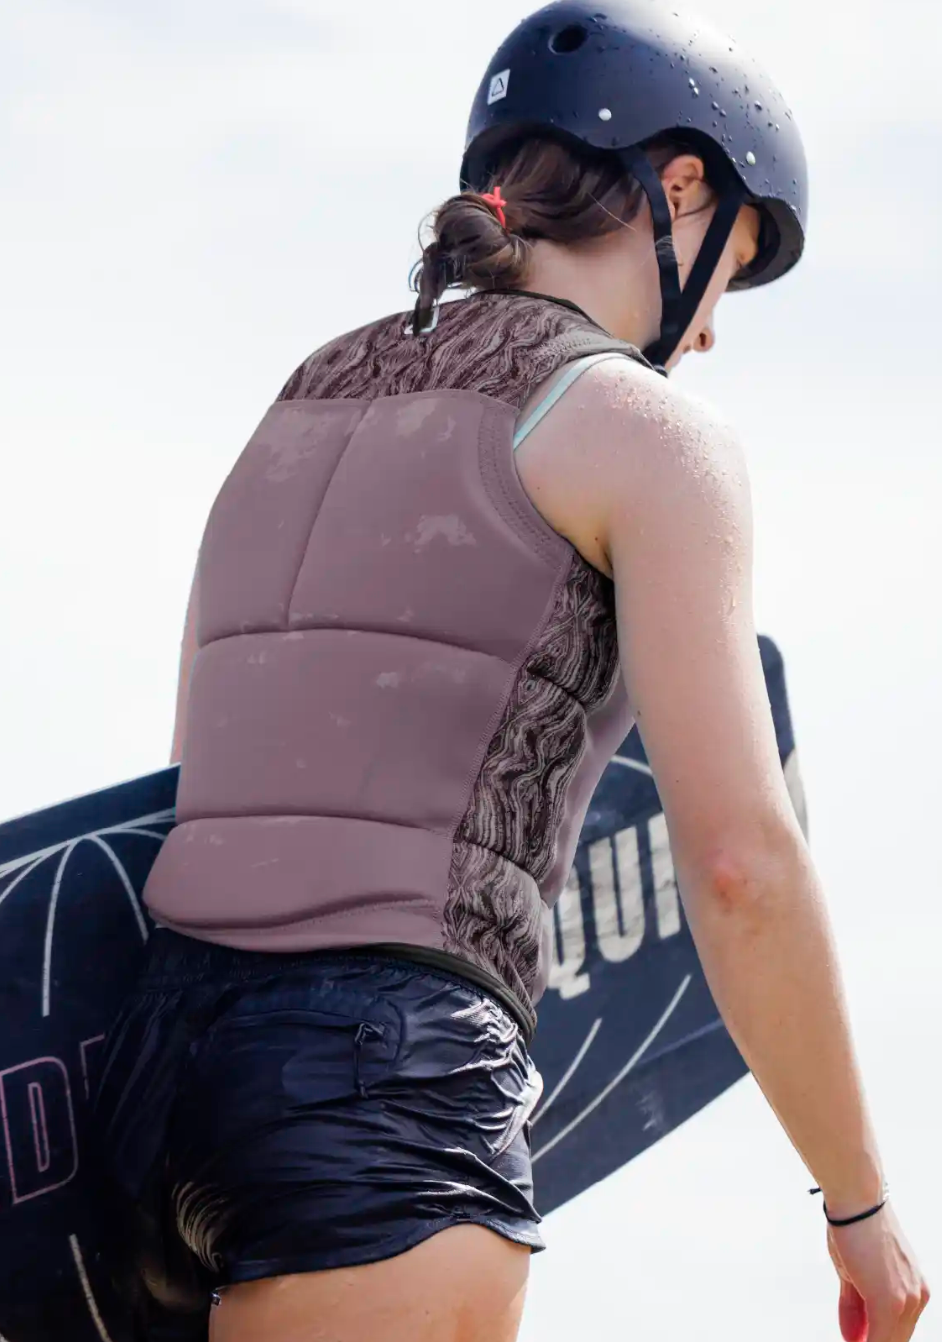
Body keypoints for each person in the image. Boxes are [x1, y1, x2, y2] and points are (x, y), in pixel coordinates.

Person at [93, 2, 930, 1340]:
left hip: (148, 1087)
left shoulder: (305, 393)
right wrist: (856, 1206)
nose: (710, 328)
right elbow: (737, 865)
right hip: (385, 1090)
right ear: (680, 187)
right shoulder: (641, 432)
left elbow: (205, 765)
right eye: (730, 267)